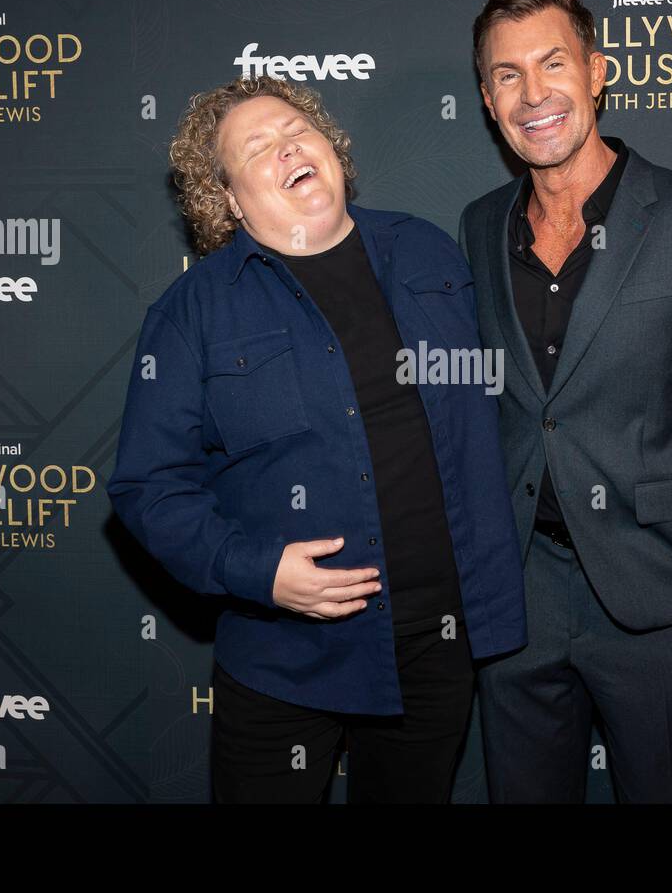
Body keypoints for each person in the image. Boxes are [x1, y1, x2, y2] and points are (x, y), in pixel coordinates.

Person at [107, 75, 525, 803]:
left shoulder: (427, 252)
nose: (287, 147)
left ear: (329, 148)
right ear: (228, 199)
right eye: (257, 148)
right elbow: (148, 486)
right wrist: (257, 572)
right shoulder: (190, 313)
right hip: (284, 662)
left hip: (438, 646)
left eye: (295, 130)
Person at [459, 0, 672, 802]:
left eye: (552, 63)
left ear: (598, 72)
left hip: (664, 598)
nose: (532, 95)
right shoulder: (480, 224)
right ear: (489, 101)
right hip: (518, 599)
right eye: (505, 75)